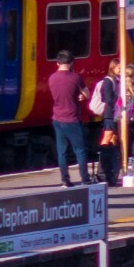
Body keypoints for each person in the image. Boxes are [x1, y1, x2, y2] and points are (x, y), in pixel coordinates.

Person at [48, 50, 88, 186]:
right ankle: (85, 179)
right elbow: (86, 93)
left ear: (57, 63)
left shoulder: (52, 78)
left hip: (57, 119)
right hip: (72, 118)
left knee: (62, 151)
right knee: (80, 150)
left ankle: (65, 180)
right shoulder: (75, 77)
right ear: (71, 62)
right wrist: (81, 96)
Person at [89, 59, 122, 187]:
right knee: (106, 138)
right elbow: (107, 98)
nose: (121, 70)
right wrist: (119, 97)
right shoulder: (108, 81)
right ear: (113, 68)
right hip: (109, 114)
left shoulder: (115, 80)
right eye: (119, 68)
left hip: (113, 114)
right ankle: (102, 170)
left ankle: (111, 169)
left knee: (113, 139)